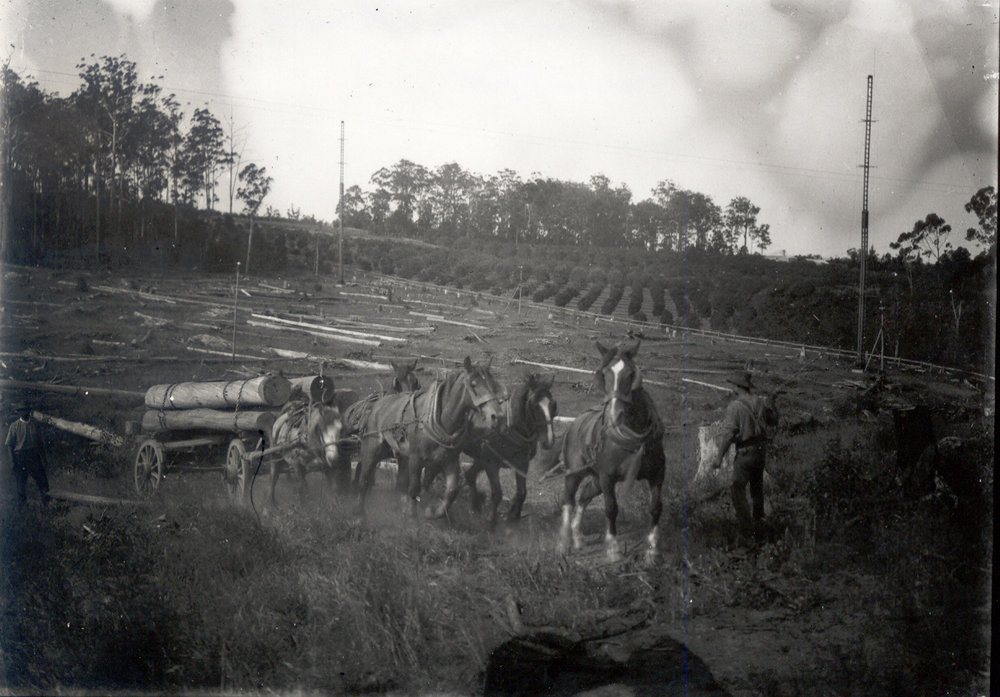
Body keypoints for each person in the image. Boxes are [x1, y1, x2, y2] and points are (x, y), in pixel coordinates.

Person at [711, 371, 778, 538]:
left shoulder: (735, 406)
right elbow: (774, 421)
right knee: (757, 489)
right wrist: (772, 402)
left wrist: (719, 457)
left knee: (737, 489)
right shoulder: (760, 403)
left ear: (738, 387)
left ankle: (747, 530)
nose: (732, 388)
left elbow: (729, 435)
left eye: (734, 385)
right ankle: (759, 523)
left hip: (745, 452)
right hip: (760, 452)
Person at [5, 404, 51, 508]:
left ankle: (47, 505)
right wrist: (12, 461)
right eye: (21, 411)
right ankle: (22, 508)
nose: (24, 413)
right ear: (19, 412)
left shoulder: (35, 424)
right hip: (20, 457)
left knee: (43, 482)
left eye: (26, 410)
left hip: (33, 456)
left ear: (29, 411)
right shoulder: (14, 425)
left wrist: (44, 459)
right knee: (21, 484)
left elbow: (40, 444)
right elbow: (9, 445)